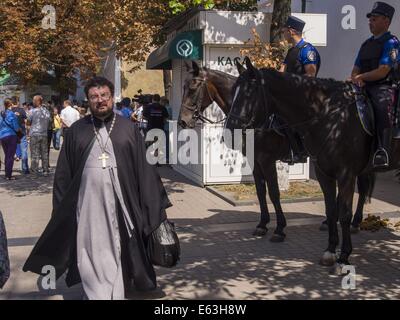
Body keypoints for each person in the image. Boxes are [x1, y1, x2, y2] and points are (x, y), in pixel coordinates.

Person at [23, 76, 172, 300]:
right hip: (87, 206)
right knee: (89, 248)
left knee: (118, 247)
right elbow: (64, 175)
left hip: (121, 205)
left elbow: (145, 170)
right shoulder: (76, 131)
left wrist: (154, 206)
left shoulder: (128, 129)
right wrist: (61, 210)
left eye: (104, 96)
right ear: (88, 100)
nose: (100, 100)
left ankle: (115, 289)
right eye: (94, 97)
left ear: (112, 98)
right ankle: (95, 291)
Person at [350, 2, 399, 169]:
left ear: (386, 21)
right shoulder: (366, 44)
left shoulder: (391, 42)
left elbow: (383, 71)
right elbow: (355, 69)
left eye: (374, 19)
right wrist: (355, 79)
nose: (370, 22)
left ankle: (382, 151)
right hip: (363, 86)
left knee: (381, 107)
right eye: (370, 19)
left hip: (383, 87)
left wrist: (360, 77)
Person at [278, 16, 321, 164]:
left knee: (291, 118)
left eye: (285, 29)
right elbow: (281, 72)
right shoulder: (291, 51)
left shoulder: (307, 50)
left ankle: (300, 151)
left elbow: (310, 75)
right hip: (290, 95)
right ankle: (287, 149)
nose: (283, 32)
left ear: (291, 31)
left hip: (304, 95)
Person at [27, 95, 51, 176]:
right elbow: (49, 122)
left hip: (34, 134)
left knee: (34, 154)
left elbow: (28, 122)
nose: (33, 102)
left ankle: (34, 172)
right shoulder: (46, 112)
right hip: (44, 134)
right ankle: (45, 171)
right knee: (44, 153)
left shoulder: (32, 111)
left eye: (34, 100)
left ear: (37, 101)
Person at [0, 99, 22, 180]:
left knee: (7, 156)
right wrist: (20, 130)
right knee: (10, 156)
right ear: (11, 104)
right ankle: (8, 175)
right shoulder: (12, 114)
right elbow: (16, 128)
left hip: (2, 136)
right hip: (11, 135)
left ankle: (7, 173)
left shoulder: (1, 114)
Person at [11, 96, 29, 174]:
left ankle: (9, 169)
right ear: (18, 102)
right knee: (24, 150)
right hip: (22, 132)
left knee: (10, 151)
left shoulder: (9, 111)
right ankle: (25, 169)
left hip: (12, 133)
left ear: (11, 103)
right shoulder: (22, 110)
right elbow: (26, 121)